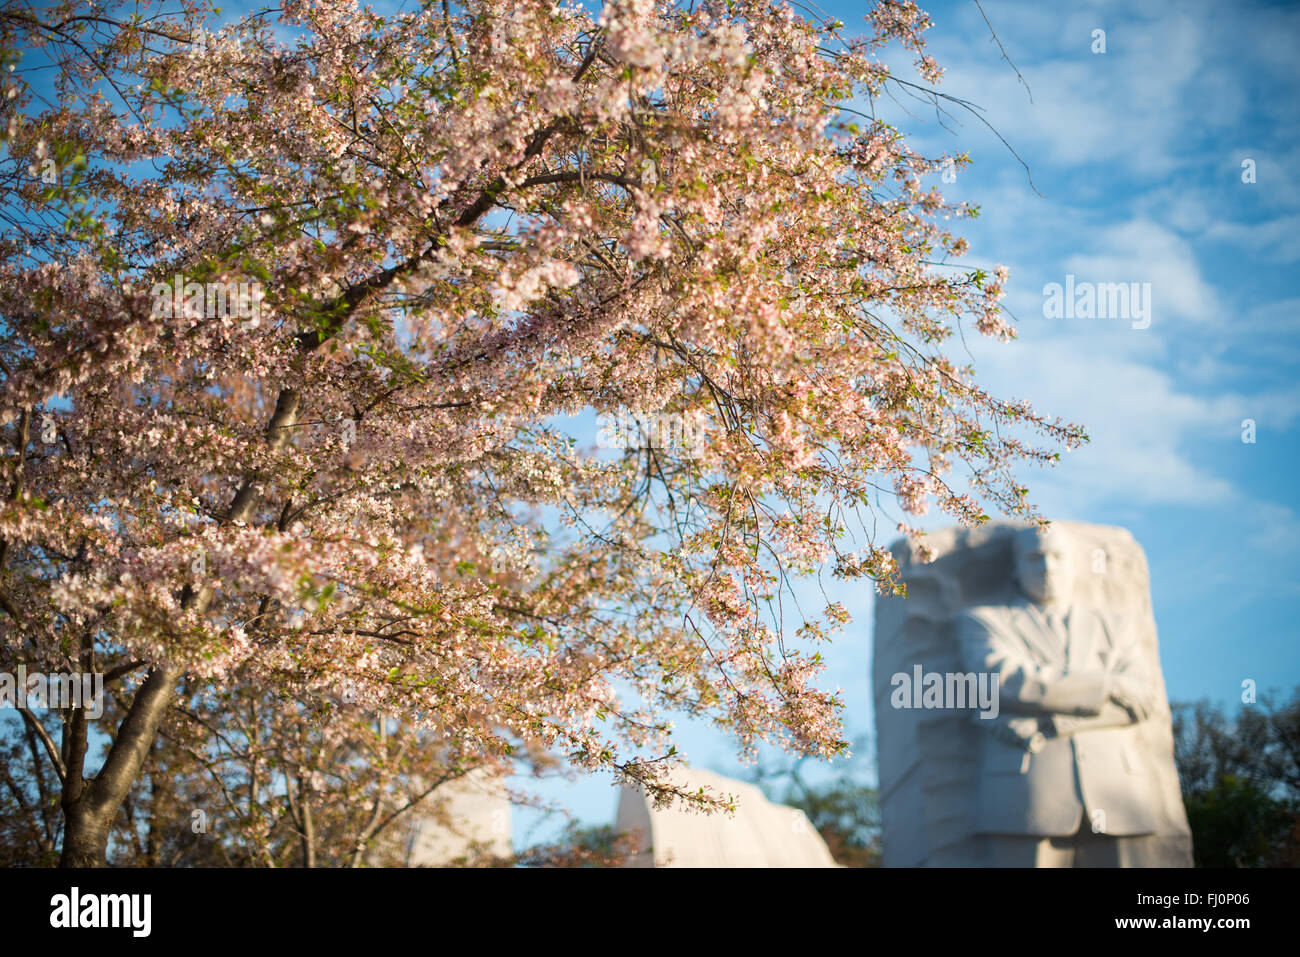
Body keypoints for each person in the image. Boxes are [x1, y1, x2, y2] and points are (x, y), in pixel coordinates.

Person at [955, 525, 1169, 866]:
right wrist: (1109, 685)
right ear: (1015, 567)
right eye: (1035, 557)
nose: (1047, 567)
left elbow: (1143, 700)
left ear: (1073, 565)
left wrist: (1053, 722)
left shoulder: (1116, 625)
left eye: (1057, 557)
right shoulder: (985, 622)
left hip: (1118, 791)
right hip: (1026, 796)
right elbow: (1004, 681)